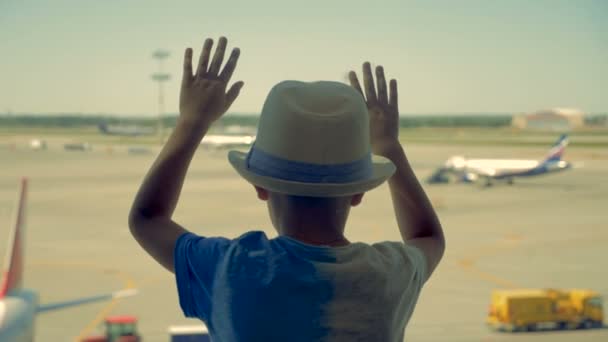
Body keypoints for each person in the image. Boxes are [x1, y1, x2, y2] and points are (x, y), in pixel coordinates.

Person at [129, 36, 445, 341]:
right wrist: (388, 145)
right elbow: (428, 237)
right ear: (359, 192)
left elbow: (146, 219)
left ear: (260, 187)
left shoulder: (234, 269)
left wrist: (192, 120)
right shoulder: (389, 276)